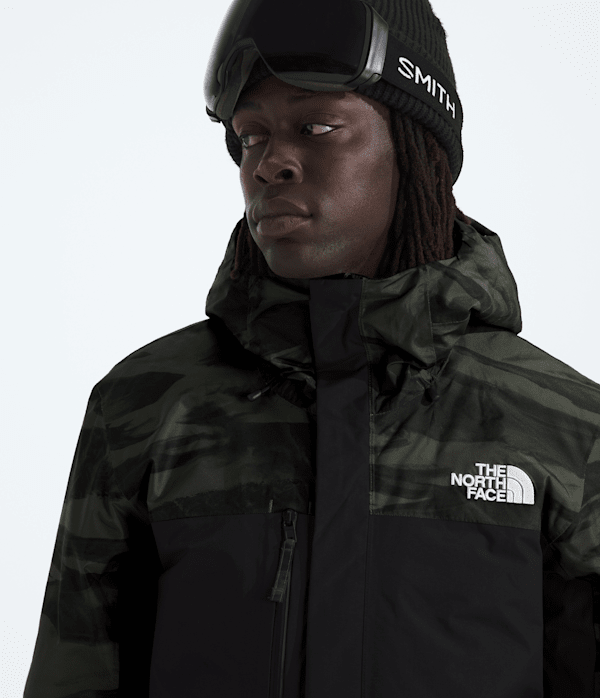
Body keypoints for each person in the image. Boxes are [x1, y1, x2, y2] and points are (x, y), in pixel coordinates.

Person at [24, 0, 600, 696]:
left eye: (317, 127)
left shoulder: (565, 428)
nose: (269, 164)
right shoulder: (145, 406)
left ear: (417, 152)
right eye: (251, 135)